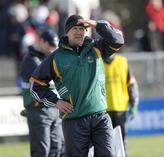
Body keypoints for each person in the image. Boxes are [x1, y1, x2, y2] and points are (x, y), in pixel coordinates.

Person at [30, 14, 124, 157]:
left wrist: (97, 25)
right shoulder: (56, 57)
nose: (79, 32)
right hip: (74, 122)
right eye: (75, 28)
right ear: (67, 31)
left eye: (82, 28)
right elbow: (35, 85)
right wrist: (56, 102)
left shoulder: (97, 48)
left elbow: (118, 40)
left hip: (100, 118)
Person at [20, 30, 65, 157]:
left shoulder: (48, 58)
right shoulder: (30, 59)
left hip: (54, 108)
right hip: (38, 109)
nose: (53, 49)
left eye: (54, 46)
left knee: (57, 149)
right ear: (41, 42)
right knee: (41, 150)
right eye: (50, 45)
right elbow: (49, 78)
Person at [104, 53, 139, 157]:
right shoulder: (97, 62)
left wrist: (134, 104)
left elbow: (132, 85)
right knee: (104, 142)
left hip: (121, 109)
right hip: (102, 111)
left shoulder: (123, 61)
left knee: (122, 141)